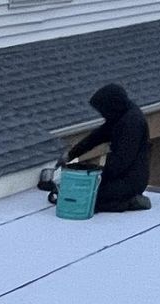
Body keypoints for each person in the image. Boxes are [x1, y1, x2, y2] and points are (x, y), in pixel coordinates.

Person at [48, 82, 153, 212]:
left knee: (87, 198)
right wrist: (71, 154)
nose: (102, 114)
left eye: (103, 110)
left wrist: (97, 179)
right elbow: (97, 136)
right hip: (120, 176)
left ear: (111, 107)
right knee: (84, 193)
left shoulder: (132, 124)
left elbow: (121, 162)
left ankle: (131, 202)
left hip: (130, 181)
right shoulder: (120, 114)